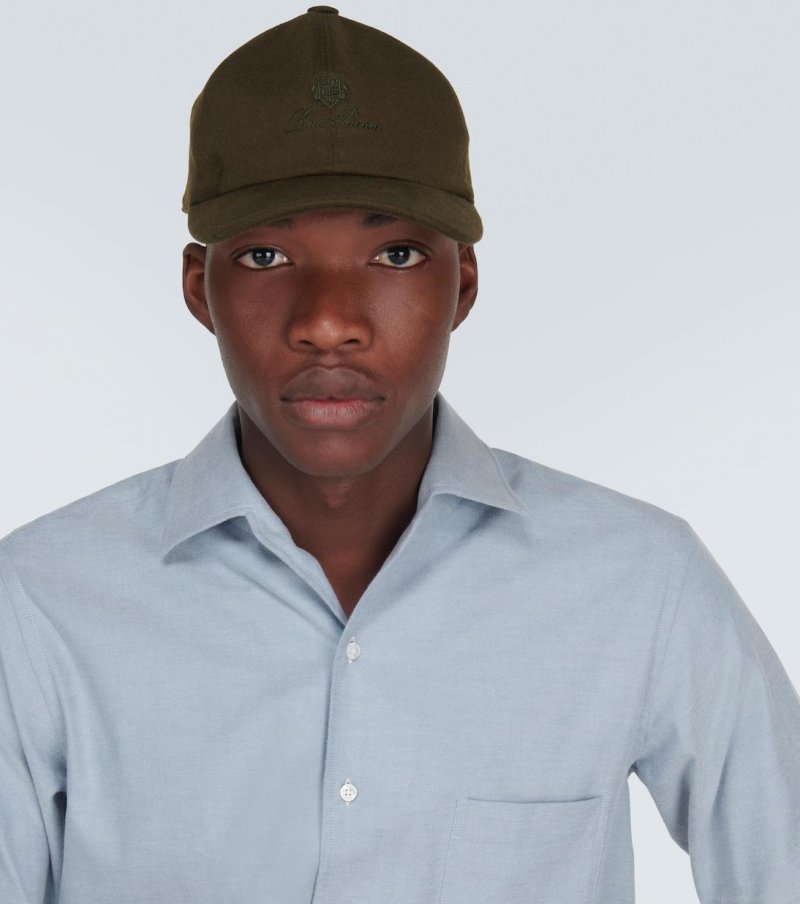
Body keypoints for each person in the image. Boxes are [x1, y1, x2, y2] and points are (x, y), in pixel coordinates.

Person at [1, 6, 798, 903]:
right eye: (264, 256)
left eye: (395, 252)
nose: (327, 322)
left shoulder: (639, 581)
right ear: (199, 290)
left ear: (463, 286)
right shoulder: (41, 603)